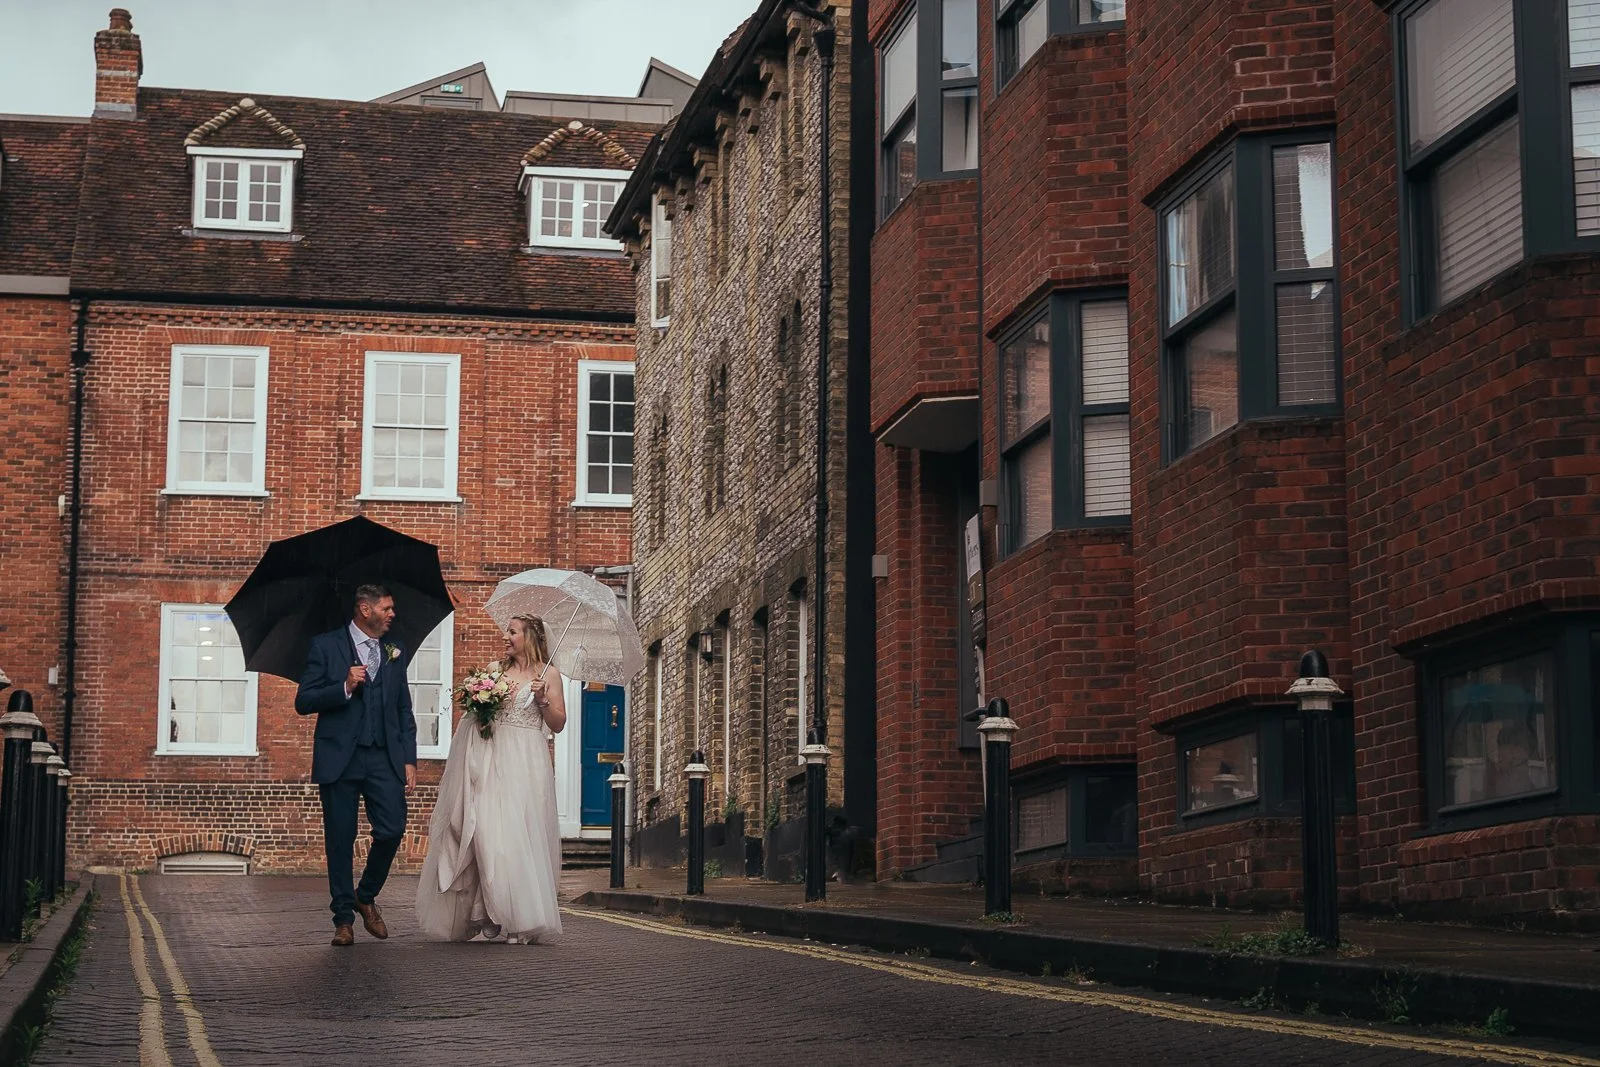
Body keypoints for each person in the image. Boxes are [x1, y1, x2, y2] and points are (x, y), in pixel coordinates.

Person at [416, 613, 567, 944]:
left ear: (529, 636)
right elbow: (475, 718)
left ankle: (521, 921)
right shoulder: (493, 672)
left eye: (512, 632)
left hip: (528, 759)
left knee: (520, 834)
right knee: (484, 831)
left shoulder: (549, 675)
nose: (505, 637)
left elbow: (558, 724)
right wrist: (481, 717)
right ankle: (486, 915)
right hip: (491, 756)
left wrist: (542, 700)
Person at [294, 585, 417, 947]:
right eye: (387, 607)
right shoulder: (325, 645)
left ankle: (365, 895)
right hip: (339, 759)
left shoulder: (395, 651)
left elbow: (403, 709)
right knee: (340, 839)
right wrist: (343, 686)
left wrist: (409, 757)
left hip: (384, 757)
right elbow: (303, 700)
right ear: (365, 608)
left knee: (392, 828)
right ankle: (343, 919)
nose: (393, 613)